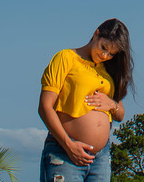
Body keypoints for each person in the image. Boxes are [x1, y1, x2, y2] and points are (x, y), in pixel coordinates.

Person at [38, 18, 134, 182]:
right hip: (65, 151)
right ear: (96, 34)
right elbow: (45, 107)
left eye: (111, 54)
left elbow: (120, 115)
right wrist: (69, 145)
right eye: (103, 47)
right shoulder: (66, 58)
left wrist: (111, 104)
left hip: (101, 157)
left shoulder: (108, 71)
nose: (105, 55)